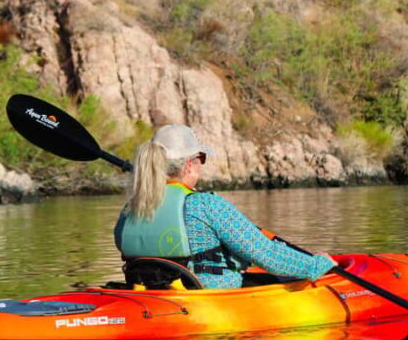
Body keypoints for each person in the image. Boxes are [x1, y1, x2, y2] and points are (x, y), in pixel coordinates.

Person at [113, 124, 336, 289]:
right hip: (207, 300)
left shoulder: (131, 208)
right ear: (190, 164)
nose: (201, 164)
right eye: (201, 157)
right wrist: (317, 265)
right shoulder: (206, 205)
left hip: (148, 296)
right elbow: (268, 255)